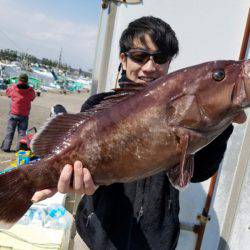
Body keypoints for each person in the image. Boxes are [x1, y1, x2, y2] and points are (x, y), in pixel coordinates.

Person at [32, 16, 246, 249]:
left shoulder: (192, 118)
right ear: (123, 59)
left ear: (168, 63)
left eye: (160, 58)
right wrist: (64, 179)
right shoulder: (98, 105)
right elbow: (80, 170)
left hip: (156, 242)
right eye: (139, 56)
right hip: (98, 238)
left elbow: (198, 174)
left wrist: (222, 122)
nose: (149, 67)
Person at [1, 73, 36, 152]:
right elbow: (32, 97)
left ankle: (6, 147)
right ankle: (20, 149)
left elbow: (8, 93)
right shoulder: (30, 90)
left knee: (10, 131)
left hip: (13, 113)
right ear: (27, 81)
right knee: (22, 133)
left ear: (19, 80)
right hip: (24, 115)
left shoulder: (13, 88)